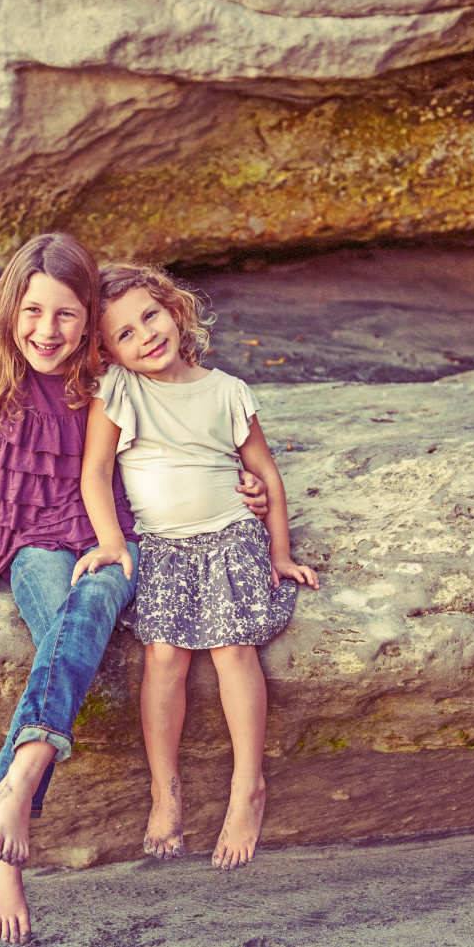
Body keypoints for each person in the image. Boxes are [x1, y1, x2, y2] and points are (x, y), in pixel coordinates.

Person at [0, 234, 268, 944]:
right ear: (9, 310)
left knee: (85, 610)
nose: (45, 331)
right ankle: (16, 796)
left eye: (64, 316)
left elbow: (185, 426)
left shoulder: (105, 376)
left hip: (109, 538)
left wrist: (245, 490)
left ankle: (11, 806)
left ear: (89, 322)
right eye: (32, 311)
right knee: (67, 628)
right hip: (29, 543)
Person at [72, 262, 319, 872]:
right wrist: (111, 541)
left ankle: (247, 788)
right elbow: (95, 474)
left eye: (149, 316)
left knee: (234, 649)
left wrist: (280, 552)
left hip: (230, 535)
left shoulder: (227, 391)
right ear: (107, 351)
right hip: (161, 544)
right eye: (123, 334)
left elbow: (266, 476)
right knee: (164, 657)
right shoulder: (120, 393)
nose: (144, 337)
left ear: (175, 310)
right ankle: (166, 792)